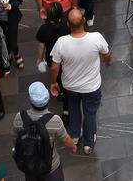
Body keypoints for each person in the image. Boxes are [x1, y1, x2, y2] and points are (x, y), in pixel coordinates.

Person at [50, 8, 111, 155]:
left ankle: (75, 135)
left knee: (73, 109)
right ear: (84, 21)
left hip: (70, 86)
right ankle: (88, 144)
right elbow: (107, 54)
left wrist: (53, 82)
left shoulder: (61, 42)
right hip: (91, 87)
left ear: (68, 24)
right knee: (90, 113)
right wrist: (107, 62)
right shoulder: (96, 38)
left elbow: (54, 66)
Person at [12, 82, 76, 181]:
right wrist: (73, 147)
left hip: (29, 164)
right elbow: (66, 140)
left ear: (30, 100)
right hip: (51, 166)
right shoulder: (55, 120)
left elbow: (15, 138)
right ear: (48, 99)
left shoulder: (19, 117)